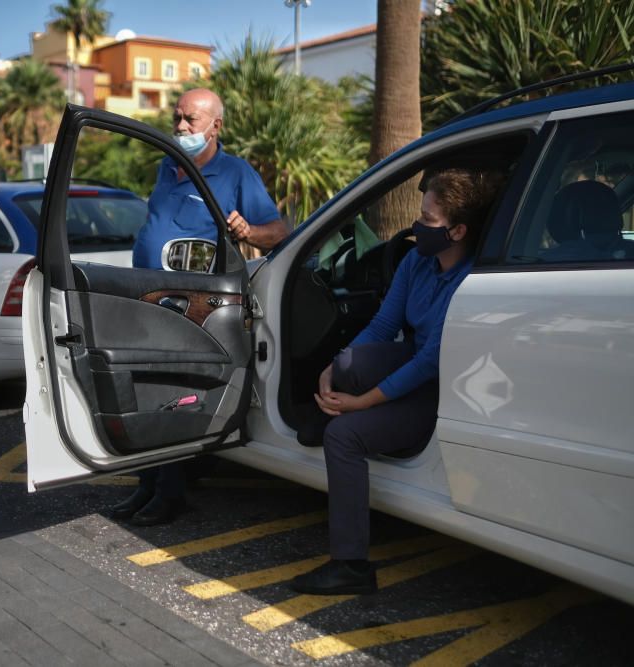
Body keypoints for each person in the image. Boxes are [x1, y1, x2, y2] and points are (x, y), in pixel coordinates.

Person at [289, 167, 505, 595]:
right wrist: (333, 368)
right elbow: (384, 325)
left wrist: (362, 403)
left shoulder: (470, 282)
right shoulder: (416, 261)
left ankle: (350, 566)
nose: (416, 226)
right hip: (412, 368)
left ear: (458, 230)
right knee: (350, 362)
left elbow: (429, 363)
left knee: (344, 435)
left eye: (428, 220)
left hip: (442, 390)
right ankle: (327, 409)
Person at [112, 88, 289, 526]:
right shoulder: (166, 167)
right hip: (147, 299)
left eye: (191, 120)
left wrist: (248, 229)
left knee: (172, 398)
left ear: (216, 127)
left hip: (189, 307)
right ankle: (148, 485)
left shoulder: (236, 174)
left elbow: (281, 230)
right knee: (146, 393)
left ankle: (170, 493)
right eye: (178, 118)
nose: (180, 127)